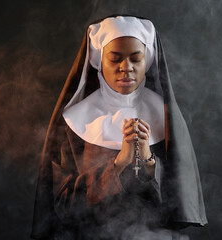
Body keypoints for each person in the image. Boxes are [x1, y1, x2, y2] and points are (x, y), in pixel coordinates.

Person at [31, 15, 207, 240]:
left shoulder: (166, 119)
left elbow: (179, 203)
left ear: (148, 61)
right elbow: (63, 205)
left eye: (136, 59)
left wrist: (148, 162)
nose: (126, 68)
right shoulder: (75, 121)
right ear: (98, 60)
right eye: (115, 59)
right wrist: (118, 165)